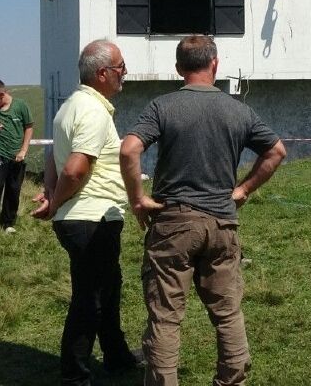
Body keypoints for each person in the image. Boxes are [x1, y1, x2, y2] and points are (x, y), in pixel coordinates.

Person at [120, 35, 288, 386]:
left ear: (179, 68)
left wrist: (138, 198)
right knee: (228, 315)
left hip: (173, 225)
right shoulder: (239, 110)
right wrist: (242, 189)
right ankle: (232, 381)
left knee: (165, 319)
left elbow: (129, 150)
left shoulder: (162, 107)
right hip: (223, 223)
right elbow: (276, 152)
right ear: (215, 63)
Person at [32, 39, 143, 385]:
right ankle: (75, 376)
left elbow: (53, 155)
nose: (125, 73)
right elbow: (76, 169)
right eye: (121, 67)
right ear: (102, 73)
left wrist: (52, 194)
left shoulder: (70, 106)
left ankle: (116, 356)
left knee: (108, 287)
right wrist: (57, 202)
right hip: (90, 219)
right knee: (91, 300)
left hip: (88, 217)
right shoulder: (93, 112)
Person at [0, 79, 34, 233]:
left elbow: (29, 127)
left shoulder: (21, 106)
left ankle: (8, 223)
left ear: (2, 94)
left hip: (16, 155)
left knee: (13, 189)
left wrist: (23, 150)